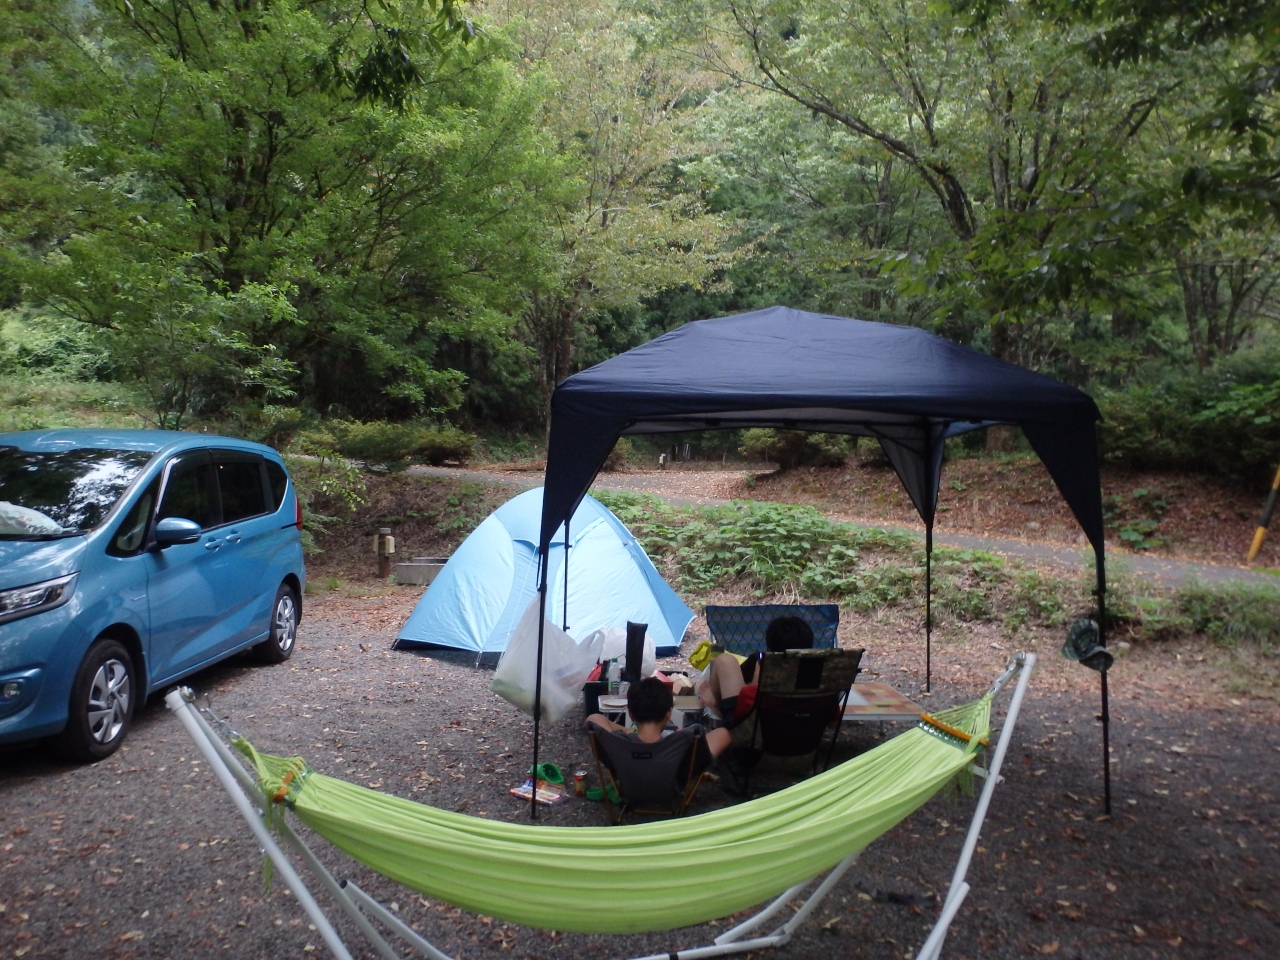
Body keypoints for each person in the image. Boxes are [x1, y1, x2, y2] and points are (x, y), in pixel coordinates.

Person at [697, 615, 815, 729]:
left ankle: (715, 703)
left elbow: (741, 719)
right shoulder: (823, 684)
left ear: (770, 650)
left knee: (724, 660)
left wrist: (755, 682)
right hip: (806, 740)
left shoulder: (759, 689)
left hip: (759, 737)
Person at [586, 676, 731, 758]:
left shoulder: (618, 746)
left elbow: (593, 718)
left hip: (628, 788)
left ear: (631, 714)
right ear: (668, 714)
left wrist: (627, 731)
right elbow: (724, 734)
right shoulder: (681, 747)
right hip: (671, 790)